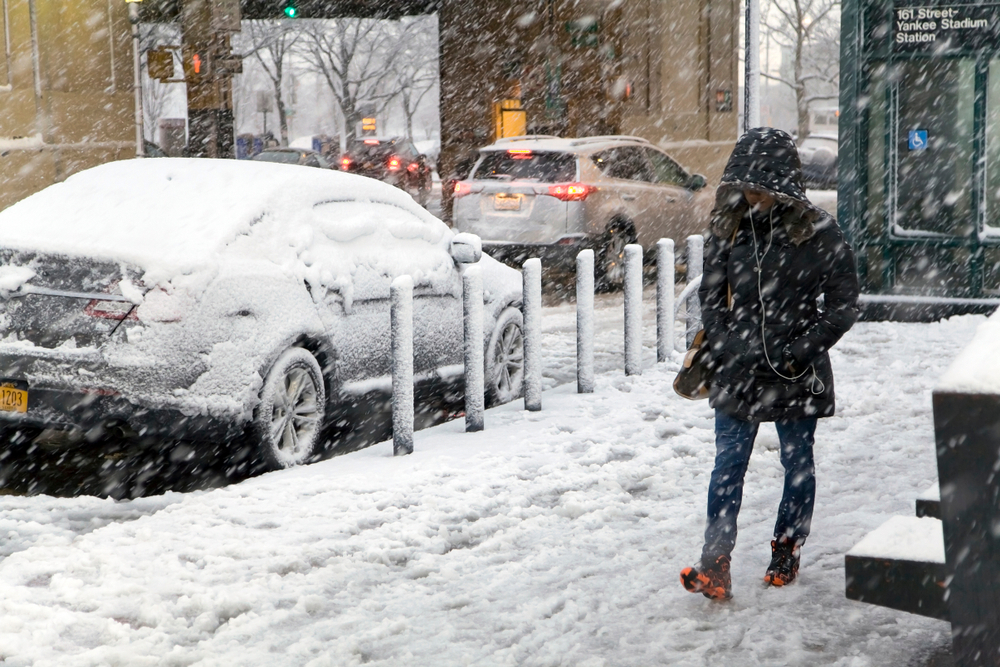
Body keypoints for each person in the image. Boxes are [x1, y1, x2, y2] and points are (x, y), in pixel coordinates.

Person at [680, 128, 860, 600]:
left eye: (759, 187)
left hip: (794, 374)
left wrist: (799, 349)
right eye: (744, 186)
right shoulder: (730, 224)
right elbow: (711, 292)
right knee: (727, 466)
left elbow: (843, 305)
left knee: (797, 464)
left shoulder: (820, 231)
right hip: (737, 371)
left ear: (783, 184)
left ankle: (786, 549)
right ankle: (714, 562)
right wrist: (724, 341)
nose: (751, 195)